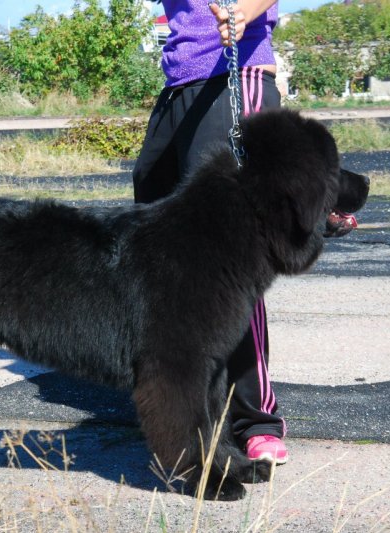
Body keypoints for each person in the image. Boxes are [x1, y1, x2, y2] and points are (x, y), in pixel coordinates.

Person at [132, 0, 288, 464]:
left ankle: (254, 419)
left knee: (230, 263)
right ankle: (179, 398)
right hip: (180, 82)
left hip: (236, 74)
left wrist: (243, 13)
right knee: (158, 248)